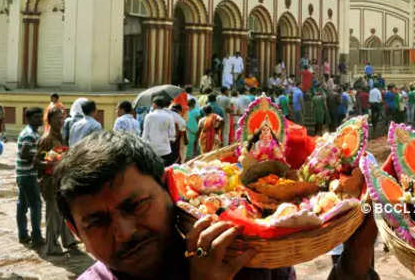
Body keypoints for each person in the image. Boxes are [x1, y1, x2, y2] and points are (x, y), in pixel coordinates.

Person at [54, 131, 378, 280]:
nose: (123, 233)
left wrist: (355, 259)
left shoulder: (246, 258)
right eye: (96, 222)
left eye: (135, 205)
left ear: (170, 187)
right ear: (75, 230)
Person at [36, 107, 78, 255]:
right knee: (53, 215)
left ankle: (68, 240)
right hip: (50, 182)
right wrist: (51, 164)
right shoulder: (46, 139)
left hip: (61, 180)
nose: (61, 121)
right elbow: (36, 163)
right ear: (50, 120)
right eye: (57, 119)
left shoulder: (60, 136)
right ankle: (51, 246)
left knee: (64, 211)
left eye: (62, 118)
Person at [16, 107, 45, 248]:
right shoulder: (29, 134)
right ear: (28, 119)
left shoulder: (33, 132)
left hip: (23, 174)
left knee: (22, 205)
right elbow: (23, 154)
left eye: (40, 117)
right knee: (35, 205)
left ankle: (23, 234)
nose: (40, 120)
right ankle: (37, 236)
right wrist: (39, 159)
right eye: (36, 117)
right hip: (28, 174)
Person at [142, 95, 176, 166]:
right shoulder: (169, 116)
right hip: (165, 149)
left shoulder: (149, 116)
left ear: (154, 104)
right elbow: (172, 134)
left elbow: (145, 134)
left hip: (152, 149)